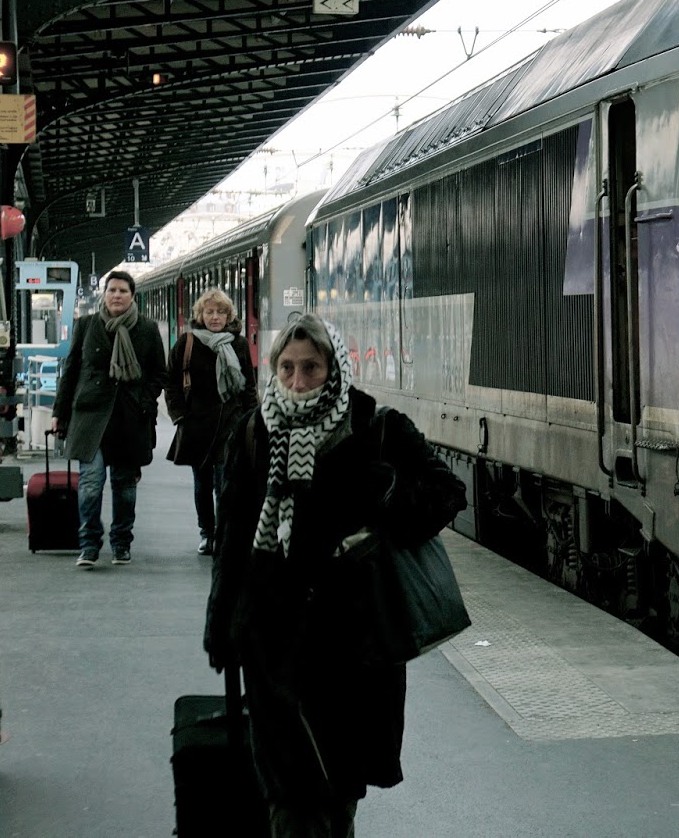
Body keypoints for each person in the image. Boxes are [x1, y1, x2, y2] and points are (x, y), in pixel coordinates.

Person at [204, 314, 464, 837]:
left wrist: (386, 492)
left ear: (334, 369)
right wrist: (221, 625)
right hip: (272, 639)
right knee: (289, 794)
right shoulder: (253, 431)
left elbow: (447, 494)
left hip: (354, 644)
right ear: (274, 370)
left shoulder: (375, 426)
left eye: (312, 369)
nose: (298, 383)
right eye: (287, 369)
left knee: (337, 790)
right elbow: (232, 540)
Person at [51, 270, 167, 568]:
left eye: (123, 291)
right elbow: (72, 370)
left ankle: (121, 544)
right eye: (112, 290)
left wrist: (144, 398)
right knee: (91, 483)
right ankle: (89, 545)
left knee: (124, 486)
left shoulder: (147, 328)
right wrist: (59, 414)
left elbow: (159, 373)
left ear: (132, 296)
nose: (117, 295)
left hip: (130, 417)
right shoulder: (87, 325)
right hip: (91, 417)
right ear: (104, 294)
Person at [166, 288, 256, 556]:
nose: (215, 317)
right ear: (200, 315)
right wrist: (179, 415)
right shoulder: (187, 343)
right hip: (197, 425)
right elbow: (170, 382)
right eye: (210, 312)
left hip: (230, 422)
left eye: (221, 312)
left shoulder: (238, 344)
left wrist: (252, 421)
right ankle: (206, 532)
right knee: (202, 484)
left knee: (223, 482)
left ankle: (223, 535)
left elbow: (248, 387)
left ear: (229, 316)